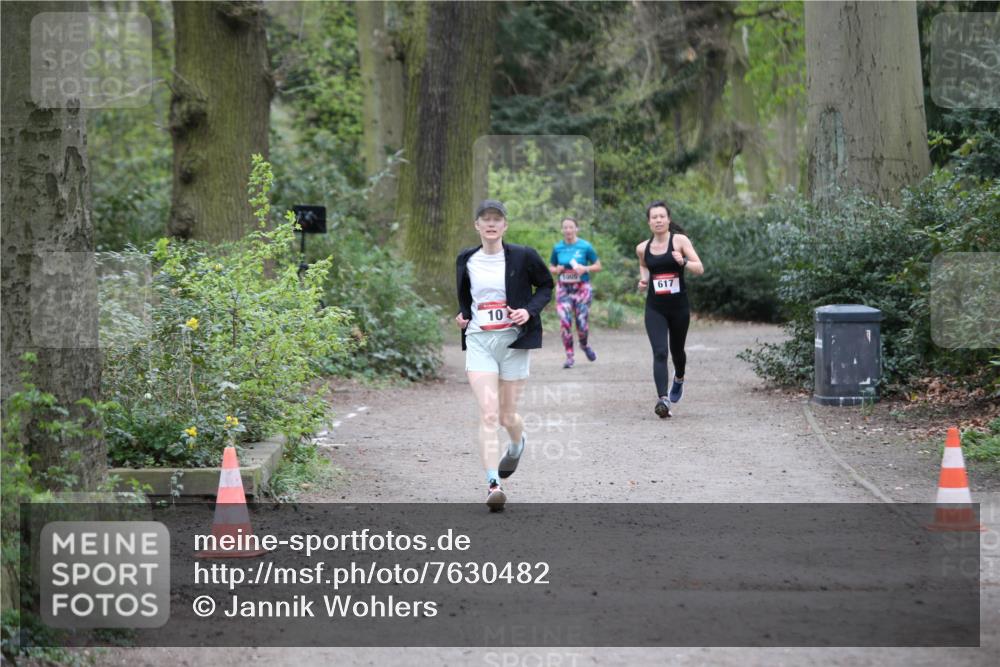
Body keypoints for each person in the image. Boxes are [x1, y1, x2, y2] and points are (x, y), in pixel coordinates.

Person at [456, 200, 554, 510]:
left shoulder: (523, 256)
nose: (491, 223)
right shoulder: (465, 260)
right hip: (480, 341)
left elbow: (546, 286)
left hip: (513, 343)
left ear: (504, 226)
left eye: (496, 219)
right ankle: (492, 483)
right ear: (477, 225)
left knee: (506, 415)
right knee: (488, 413)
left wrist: (528, 310)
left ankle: (516, 443)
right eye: (485, 219)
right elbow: (467, 298)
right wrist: (462, 316)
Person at [635, 200, 704, 418]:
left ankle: (679, 378)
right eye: (654, 217)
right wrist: (644, 280)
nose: (658, 220)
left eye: (661, 216)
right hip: (655, 308)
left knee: (677, 351)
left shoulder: (679, 241)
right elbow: (644, 266)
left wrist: (682, 260)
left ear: (668, 219)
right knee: (660, 352)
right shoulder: (642, 248)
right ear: (649, 222)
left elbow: (699, 268)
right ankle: (663, 399)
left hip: (679, 308)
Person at [549, 217, 602, 369]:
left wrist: (585, 268)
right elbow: (551, 266)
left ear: (576, 229)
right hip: (564, 289)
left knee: (582, 323)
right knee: (565, 322)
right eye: (565, 227)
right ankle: (569, 356)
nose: (568, 230)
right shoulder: (557, 247)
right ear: (562, 230)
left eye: (571, 227)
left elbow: (598, 265)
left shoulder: (585, 246)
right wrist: (556, 269)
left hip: (582, 288)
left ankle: (584, 345)